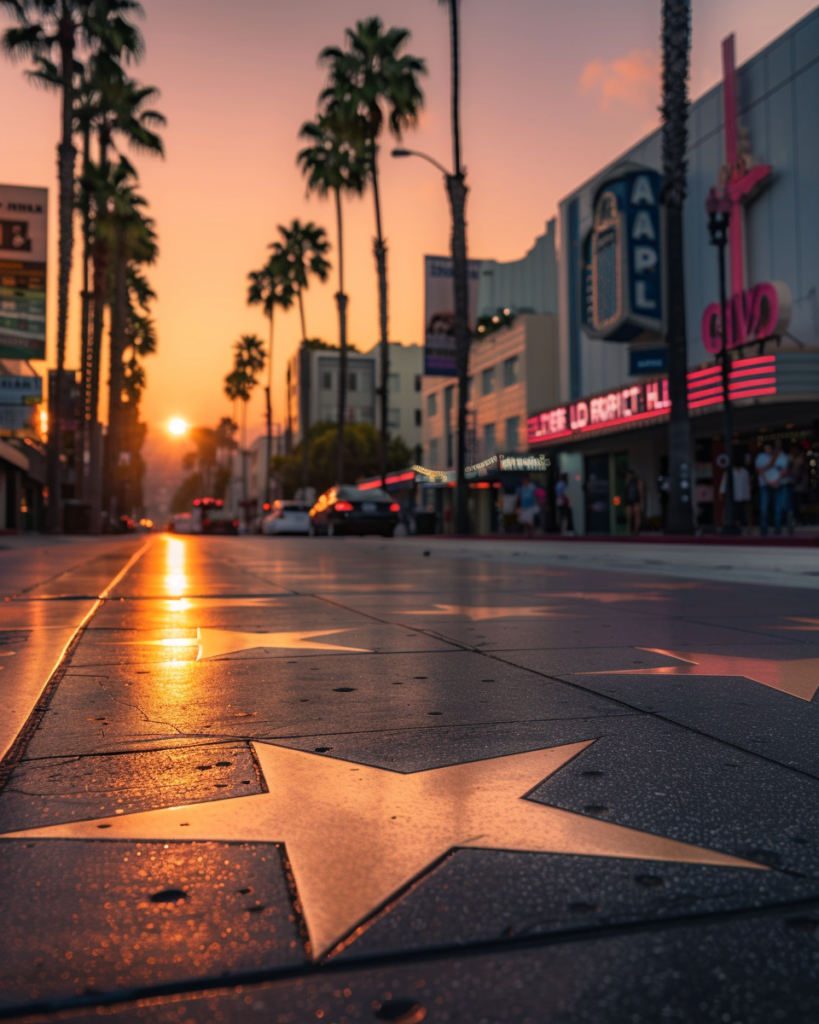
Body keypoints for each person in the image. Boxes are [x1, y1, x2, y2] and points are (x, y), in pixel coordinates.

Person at [755, 441, 784, 536]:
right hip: (765, 484)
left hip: (777, 484)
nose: (767, 449)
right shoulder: (761, 457)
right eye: (766, 447)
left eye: (769, 447)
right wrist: (768, 482)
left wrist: (777, 481)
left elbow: (784, 469)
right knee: (764, 508)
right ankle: (764, 530)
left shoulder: (780, 456)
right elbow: (760, 471)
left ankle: (777, 529)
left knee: (777, 508)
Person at [719, 457, 751, 530]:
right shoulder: (729, 472)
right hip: (732, 497)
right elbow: (724, 483)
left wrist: (748, 496)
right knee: (732, 512)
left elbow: (747, 485)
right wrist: (721, 493)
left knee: (742, 512)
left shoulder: (745, 472)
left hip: (743, 496)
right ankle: (731, 525)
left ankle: (743, 526)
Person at [516, 473, 538, 539]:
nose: (524, 482)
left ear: (528, 480)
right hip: (524, 506)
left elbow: (535, 495)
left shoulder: (532, 487)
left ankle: (531, 533)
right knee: (524, 520)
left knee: (529, 521)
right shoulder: (522, 488)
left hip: (531, 506)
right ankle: (528, 532)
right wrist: (517, 506)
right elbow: (519, 497)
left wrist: (536, 504)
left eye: (525, 480)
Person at [624, 468, 644, 534]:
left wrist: (641, 502)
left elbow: (640, 491)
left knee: (636, 514)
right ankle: (630, 528)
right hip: (629, 500)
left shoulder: (637, 481)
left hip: (636, 499)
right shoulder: (628, 482)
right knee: (629, 514)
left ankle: (636, 529)